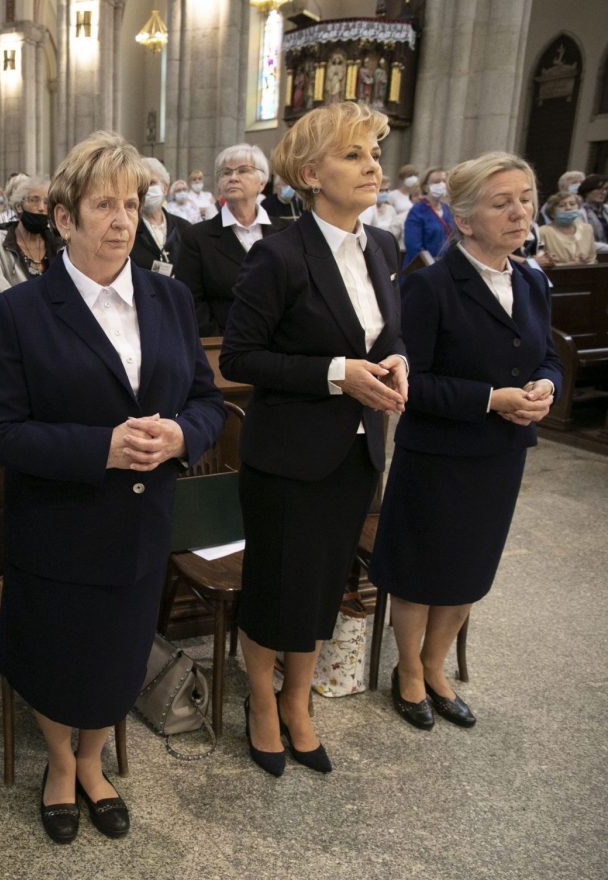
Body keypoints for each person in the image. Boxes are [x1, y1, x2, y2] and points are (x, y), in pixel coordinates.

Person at [0, 130, 224, 844]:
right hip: (60, 523)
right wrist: (102, 448)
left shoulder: (170, 298)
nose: (122, 221)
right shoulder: (24, 311)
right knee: (57, 658)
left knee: (118, 656)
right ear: (64, 218)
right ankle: (61, 763)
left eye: (132, 205)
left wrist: (181, 437)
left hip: (141, 524)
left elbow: (206, 400)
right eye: (103, 205)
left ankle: (93, 762)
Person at [220, 101, 407, 777]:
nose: (372, 166)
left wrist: (397, 362)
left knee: (324, 586)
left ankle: (298, 703)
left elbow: (384, 335)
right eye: (353, 155)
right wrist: (336, 374)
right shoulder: (279, 254)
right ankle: (261, 705)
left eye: (374, 154)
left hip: (356, 451)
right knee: (277, 589)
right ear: (310, 174)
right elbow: (238, 358)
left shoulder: (382, 246)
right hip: (289, 456)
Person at [371, 152, 561, 730]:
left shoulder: (531, 280)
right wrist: (491, 399)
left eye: (525, 199)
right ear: (465, 219)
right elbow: (413, 383)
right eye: (502, 203)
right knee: (420, 571)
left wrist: (546, 387)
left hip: (501, 455)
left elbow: (549, 356)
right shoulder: (430, 286)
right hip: (438, 456)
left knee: (469, 571)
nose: (520, 212)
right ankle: (408, 671)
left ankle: (436, 667)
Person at [176, 144, 275, 336]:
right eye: (226, 172)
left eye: (243, 170)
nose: (233, 178)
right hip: (224, 344)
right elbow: (191, 301)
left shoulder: (285, 232)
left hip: (281, 345)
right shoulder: (196, 237)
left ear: (262, 183)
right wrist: (220, 341)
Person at [0, 174, 60, 297]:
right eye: (34, 200)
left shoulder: (58, 244)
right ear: (18, 206)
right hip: (15, 307)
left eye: (46, 202)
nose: (41, 208)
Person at [129, 158, 192, 277]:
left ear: (165, 188)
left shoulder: (184, 228)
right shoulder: (129, 228)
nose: (146, 189)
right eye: (141, 185)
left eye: (152, 183)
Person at [401, 166, 453, 268]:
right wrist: (431, 266)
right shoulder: (417, 211)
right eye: (436, 182)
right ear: (425, 187)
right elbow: (413, 246)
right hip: (421, 267)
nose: (441, 184)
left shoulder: (447, 209)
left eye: (444, 181)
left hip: (444, 266)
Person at [539, 191, 597, 266]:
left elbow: (592, 259)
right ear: (552, 212)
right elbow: (541, 264)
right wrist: (573, 264)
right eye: (561, 205)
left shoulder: (587, 229)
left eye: (572, 204)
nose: (568, 208)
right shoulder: (543, 232)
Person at [580, 173, 608, 251]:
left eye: (606, 189)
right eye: (599, 189)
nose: (603, 192)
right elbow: (583, 241)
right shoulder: (580, 212)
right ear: (587, 191)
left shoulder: (606, 209)